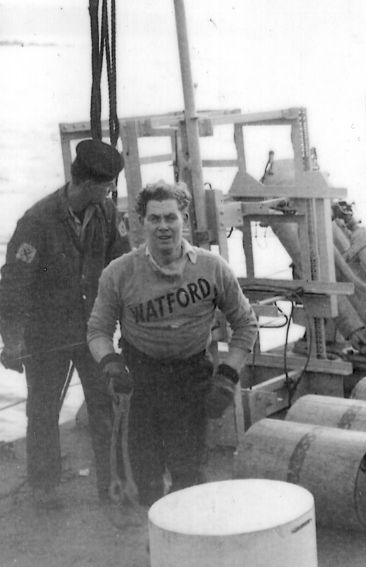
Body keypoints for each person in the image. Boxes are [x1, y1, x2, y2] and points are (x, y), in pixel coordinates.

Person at [86, 181, 258, 506]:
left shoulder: (212, 268)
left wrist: (227, 377)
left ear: (185, 219)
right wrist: (111, 365)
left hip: (191, 380)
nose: (163, 226)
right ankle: (152, 529)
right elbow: (97, 331)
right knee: (145, 477)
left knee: (189, 476)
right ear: (141, 222)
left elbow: (246, 324)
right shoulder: (118, 273)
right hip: (141, 381)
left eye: (170, 217)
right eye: (154, 219)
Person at [0, 139, 128, 509]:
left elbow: (122, 264)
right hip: (47, 337)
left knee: (105, 407)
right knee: (42, 411)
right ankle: (44, 488)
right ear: (87, 184)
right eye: (107, 185)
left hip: (93, 332)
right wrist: (13, 341)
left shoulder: (107, 214)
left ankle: (113, 485)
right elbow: (13, 285)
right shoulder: (36, 221)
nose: (110, 191)